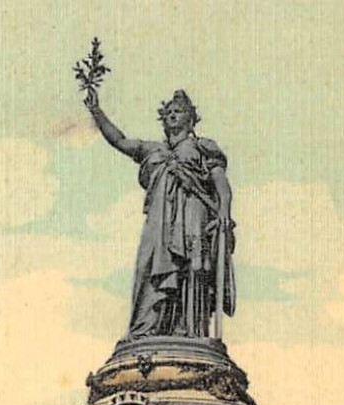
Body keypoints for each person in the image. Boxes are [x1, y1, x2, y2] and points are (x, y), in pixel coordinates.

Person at [84, 87, 235, 339]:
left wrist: (224, 214)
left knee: (193, 268)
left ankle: (190, 330)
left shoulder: (203, 147)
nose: (173, 115)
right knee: (149, 263)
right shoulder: (151, 149)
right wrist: (96, 111)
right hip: (159, 221)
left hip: (192, 213)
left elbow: (222, 187)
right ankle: (148, 328)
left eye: (179, 111)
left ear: (191, 118)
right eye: (169, 112)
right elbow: (120, 141)